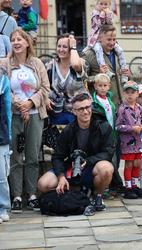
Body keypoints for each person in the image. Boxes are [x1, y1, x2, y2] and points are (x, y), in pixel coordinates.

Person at [38, 93, 115, 216]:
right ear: (74, 111)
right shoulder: (69, 130)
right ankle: (77, 193)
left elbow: (109, 152)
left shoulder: (103, 126)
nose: (85, 112)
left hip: (94, 165)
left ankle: (97, 196)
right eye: (81, 109)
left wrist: (89, 161)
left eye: (88, 107)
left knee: (106, 169)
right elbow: (57, 156)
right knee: (43, 184)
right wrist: (61, 177)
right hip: (71, 166)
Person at [0, 28, 50, 213]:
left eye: (20, 39)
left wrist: (30, 103)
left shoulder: (37, 63)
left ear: (27, 43)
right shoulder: (5, 64)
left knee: (32, 156)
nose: (16, 42)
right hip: (13, 115)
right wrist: (19, 104)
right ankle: (17, 196)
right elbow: (3, 87)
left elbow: (46, 88)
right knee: (14, 156)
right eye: (13, 39)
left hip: (36, 114)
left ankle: (32, 194)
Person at [82, 24, 131, 105]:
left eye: (114, 39)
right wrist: (98, 76)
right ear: (100, 38)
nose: (112, 43)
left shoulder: (117, 53)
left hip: (119, 105)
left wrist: (128, 75)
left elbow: (121, 78)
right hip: (101, 106)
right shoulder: (88, 54)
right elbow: (82, 81)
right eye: (109, 39)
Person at [115, 81, 142, 199]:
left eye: (133, 92)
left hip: (138, 141)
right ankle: (128, 188)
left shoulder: (140, 108)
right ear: (124, 94)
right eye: (127, 92)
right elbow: (118, 126)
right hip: (127, 141)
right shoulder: (122, 109)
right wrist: (131, 128)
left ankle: (135, 186)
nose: (130, 95)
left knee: (137, 163)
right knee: (129, 164)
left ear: (137, 94)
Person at [46, 33, 86, 125]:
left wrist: (73, 47)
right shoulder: (50, 66)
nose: (61, 49)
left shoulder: (80, 63)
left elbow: (76, 65)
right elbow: (43, 86)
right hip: (54, 115)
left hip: (76, 115)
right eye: (59, 46)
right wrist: (45, 98)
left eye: (65, 47)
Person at [87, 0, 127, 83]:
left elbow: (110, 24)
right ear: (96, 5)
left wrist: (108, 14)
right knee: (98, 50)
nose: (103, 6)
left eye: (106, 4)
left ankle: (124, 73)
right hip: (95, 38)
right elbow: (100, 25)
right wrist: (102, 14)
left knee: (120, 50)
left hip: (116, 93)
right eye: (101, 4)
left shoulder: (109, 13)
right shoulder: (95, 13)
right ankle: (105, 69)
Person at [0, 68, 11, 223]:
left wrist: (7, 134)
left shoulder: (3, 80)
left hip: (0, 134)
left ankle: (3, 207)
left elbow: (7, 109)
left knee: (1, 176)